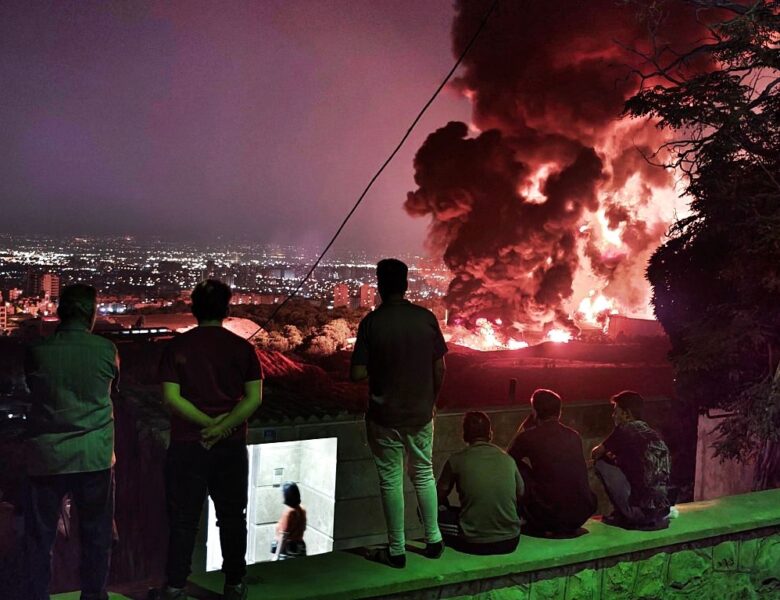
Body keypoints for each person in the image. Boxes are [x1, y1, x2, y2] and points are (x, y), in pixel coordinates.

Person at [157, 280, 263, 600]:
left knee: (184, 519)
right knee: (232, 517)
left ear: (193, 308)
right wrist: (223, 427)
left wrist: (205, 425)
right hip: (230, 447)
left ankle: (175, 585)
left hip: (188, 444)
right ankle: (234, 583)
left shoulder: (177, 347)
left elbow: (171, 398)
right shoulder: (243, 348)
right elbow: (253, 398)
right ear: (227, 309)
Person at [24, 284, 120, 600]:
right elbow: (112, 388)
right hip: (94, 456)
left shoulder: (38, 351)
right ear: (90, 314)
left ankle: (37, 594)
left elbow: (32, 390)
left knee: (40, 537)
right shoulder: (107, 350)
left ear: (61, 312)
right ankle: (94, 595)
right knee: (96, 534)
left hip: (47, 456)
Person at [350, 258, 447, 568]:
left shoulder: (371, 323)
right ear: (406, 285)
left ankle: (397, 550)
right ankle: (434, 540)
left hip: (384, 415)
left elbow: (357, 374)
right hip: (421, 413)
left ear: (379, 287)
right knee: (423, 473)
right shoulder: (426, 319)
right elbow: (440, 366)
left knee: (391, 481)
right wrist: (431, 399)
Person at [506, 389, 596, 536]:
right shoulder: (574, 436)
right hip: (580, 514)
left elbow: (506, 460)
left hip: (550, 517)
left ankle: (519, 516)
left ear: (535, 412)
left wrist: (523, 429)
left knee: (516, 465)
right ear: (559, 412)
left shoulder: (528, 437)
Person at [436, 412, 523, 554]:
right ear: (490, 433)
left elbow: (438, 496)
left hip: (475, 543)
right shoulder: (507, 459)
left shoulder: (456, 460)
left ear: (464, 434)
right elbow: (521, 493)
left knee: (425, 509)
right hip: (511, 540)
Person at [591, 391, 671, 530]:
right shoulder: (651, 433)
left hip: (639, 514)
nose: (613, 416)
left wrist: (607, 457)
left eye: (616, 411)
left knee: (600, 463)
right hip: (661, 511)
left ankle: (621, 514)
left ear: (626, 414)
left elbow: (595, 453)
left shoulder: (624, 429)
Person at [272, 482, 307, 561]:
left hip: (288, 550)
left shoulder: (288, 513)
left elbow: (283, 536)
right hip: (300, 547)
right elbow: (303, 528)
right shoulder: (302, 510)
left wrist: (276, 556)